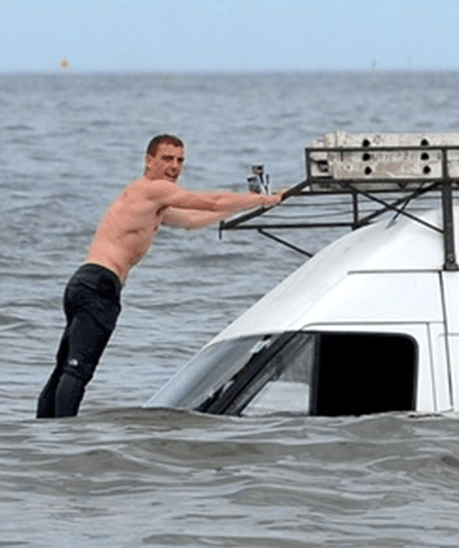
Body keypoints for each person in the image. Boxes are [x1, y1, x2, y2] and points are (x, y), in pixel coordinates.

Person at [37, 134, 285, 418]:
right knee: (77, 370)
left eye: (180, 160)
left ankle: (44, 436)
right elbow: (211, 201)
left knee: (65, 369)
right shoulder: (152, 189)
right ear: (149, 161)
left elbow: (191, 220)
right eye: (167, 159)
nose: (175, 166)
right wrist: (263, 199)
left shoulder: (152, 203)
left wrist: (251, 205)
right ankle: (63, 440)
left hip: (86, 282)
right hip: (99, 286)